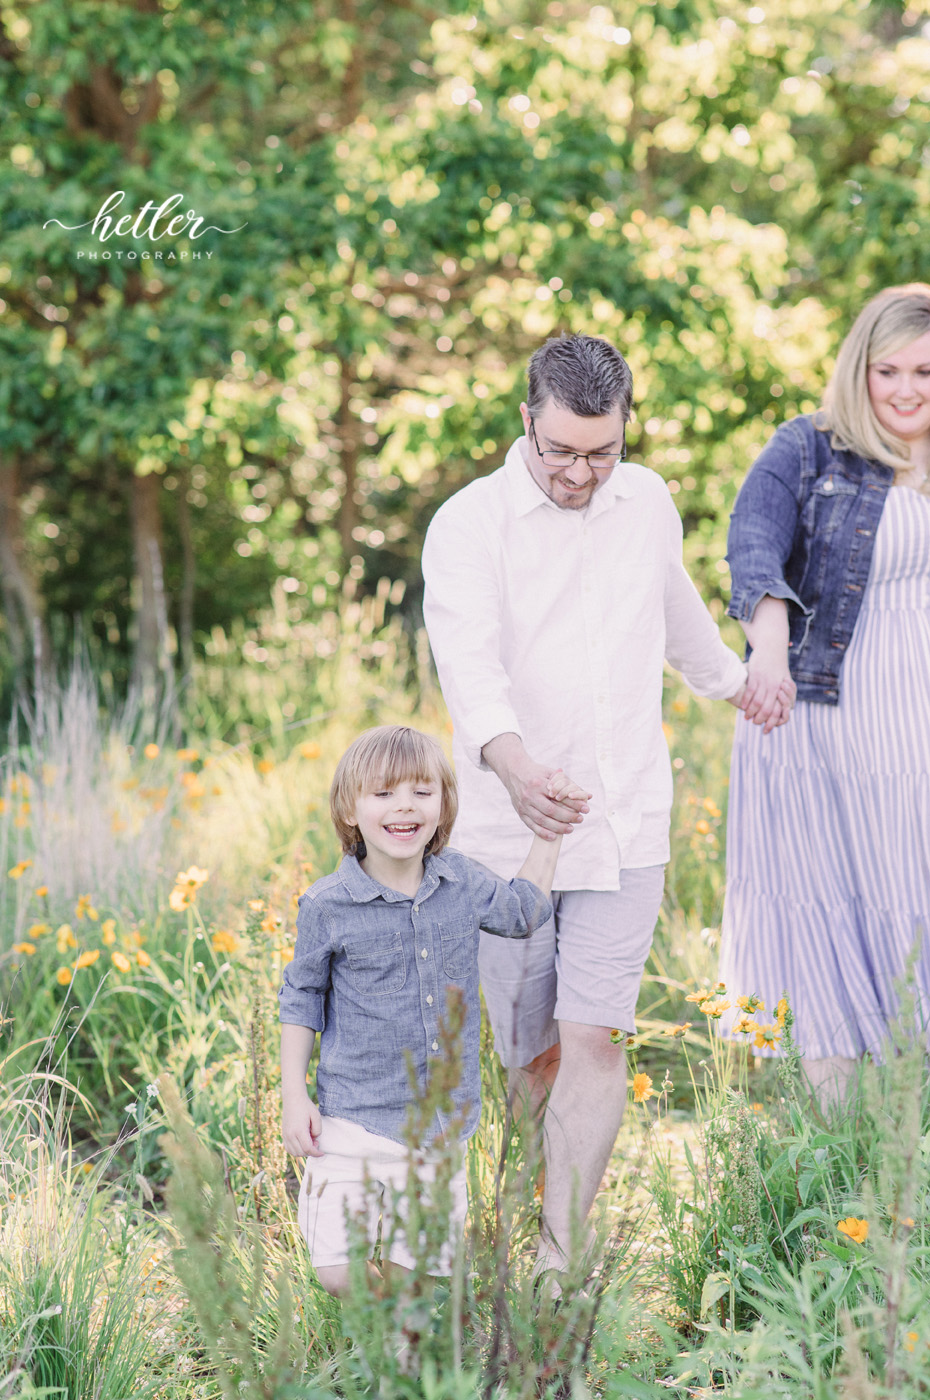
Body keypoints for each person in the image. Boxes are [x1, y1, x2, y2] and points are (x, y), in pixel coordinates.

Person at [421, 333, 774, 1289]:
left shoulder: (648, 500)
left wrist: (741, 686)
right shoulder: (468, 523)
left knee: (595, 1034)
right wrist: (517, 767)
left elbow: (678, 615)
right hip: (507, 838)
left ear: (625, 432)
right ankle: (522, 1219)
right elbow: (469, 664)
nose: (580, 472)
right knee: (529, 1056)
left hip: (626, 825)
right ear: (526, 421)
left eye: (601, 452)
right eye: (562, 451)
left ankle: (561, 1261)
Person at [721, 282, 930, 1104]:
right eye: (885, 371)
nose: (905, 391)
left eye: (925, 371)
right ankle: (854, 1137)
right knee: (852, 911)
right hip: (839, 709)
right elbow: (754, 554)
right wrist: (770, 661)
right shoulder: (808, 449)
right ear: (858, 370)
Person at [278, 724, 582, 1295]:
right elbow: (301, 998)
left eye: (422, 792)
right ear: (350, 809)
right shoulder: (327, 904)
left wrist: (551, 830)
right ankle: (391, 1327)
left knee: (413, 1274)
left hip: (440, 1127)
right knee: (336, 1268)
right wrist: (295, 1097)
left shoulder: (460, 882)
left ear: (443, 808)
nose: (404, 806)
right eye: (384, 793)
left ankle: (405, 1360)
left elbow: (522, 913)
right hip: (351, 1120)